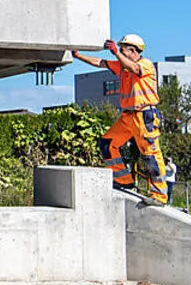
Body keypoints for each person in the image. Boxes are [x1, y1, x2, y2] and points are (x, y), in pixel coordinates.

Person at [71, 33, 169, 205]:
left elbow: (134, 68)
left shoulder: (145, 65)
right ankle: (123, 181)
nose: (120, 52)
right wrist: (79, 56)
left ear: (133, 50)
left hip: (144, 115)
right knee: (107, 144)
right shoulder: (122, 67)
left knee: (150, 154)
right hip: (128, 116)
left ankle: (159, 196)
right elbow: (100, 62)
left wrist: (116, 52)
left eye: (123, 49)